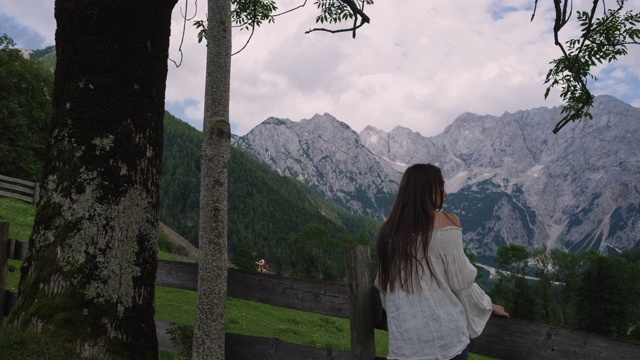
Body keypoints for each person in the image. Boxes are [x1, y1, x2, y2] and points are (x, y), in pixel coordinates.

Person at [375, 163, 509, 360]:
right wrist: (486, 305)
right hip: (447, 343)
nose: (445, 193)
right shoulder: (448, 223)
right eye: (441, 186)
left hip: (404, 346)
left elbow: (384, 289)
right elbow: (462, 283)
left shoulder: (387, 232)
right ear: (428, 191)